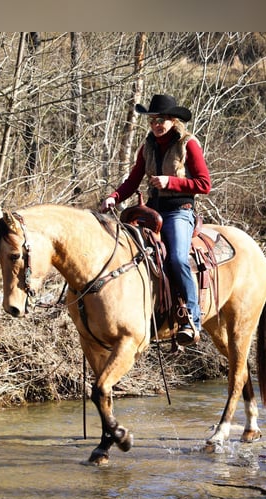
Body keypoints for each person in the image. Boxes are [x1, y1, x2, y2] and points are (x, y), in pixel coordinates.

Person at [100, 94, 211, 345]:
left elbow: (204, 184)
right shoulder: (147, 146)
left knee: (177, 258)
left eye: (161, 120)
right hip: (152, 210)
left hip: (179, 210)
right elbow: (133, 180)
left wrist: (170, 182)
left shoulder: (188, 144)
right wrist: (114, 197)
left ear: (173, 121)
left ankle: (192, 318)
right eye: (152, 121)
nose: (156, 125)